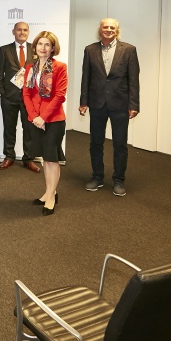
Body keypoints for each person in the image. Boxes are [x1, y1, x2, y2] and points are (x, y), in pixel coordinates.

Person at [79, 18, 140, 197]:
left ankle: (119, 180)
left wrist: (134, 104)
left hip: (120, 104)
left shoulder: (129, 50)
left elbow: (134, 80)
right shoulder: (90, 50)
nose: (108, 30)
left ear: (117, 30)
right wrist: (84, 101)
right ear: (100, 29)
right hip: (97, 103)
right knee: (96, 142)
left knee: (120, 144)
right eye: (105, 27)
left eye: (112, 27)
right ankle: (97, 177)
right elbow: (86, 78)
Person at [22, 31, 68, 216]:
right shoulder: (30, 68)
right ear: (35, 47)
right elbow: (26, 94)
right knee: (44, 158)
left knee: (51, 159)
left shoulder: (60, 67)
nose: (43, 47)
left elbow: (60, 95)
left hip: (54, 120)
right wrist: (34, 116)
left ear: (52, 48)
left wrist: (44, 117)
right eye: (40, 44)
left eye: (47, 44)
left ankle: (50, 196)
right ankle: (50, 191)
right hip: (36, 120)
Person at [0, 21, 38, 173]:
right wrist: (1, 92)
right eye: (19, 30)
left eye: (25, 30)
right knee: (9, 128)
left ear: (28, 32)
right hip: (9, 97)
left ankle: (28, 159)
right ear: (14, 31)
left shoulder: (35, 49)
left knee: (29, 129)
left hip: (30, 98)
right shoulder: (5, 49)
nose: (22, 32)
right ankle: (9, 156)